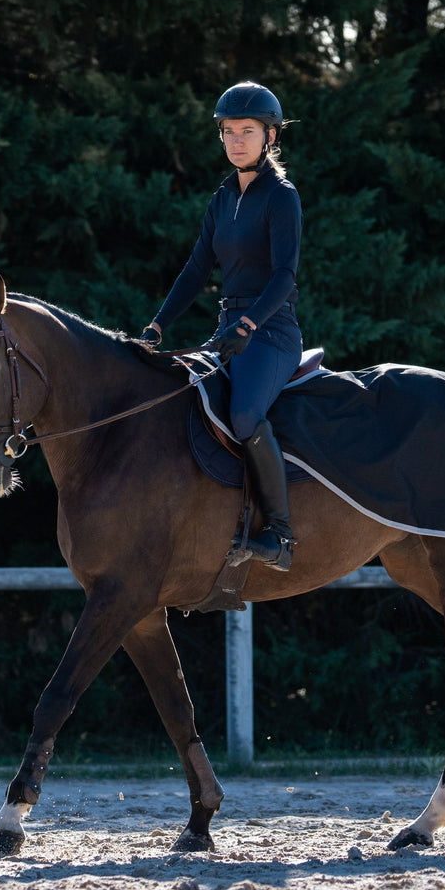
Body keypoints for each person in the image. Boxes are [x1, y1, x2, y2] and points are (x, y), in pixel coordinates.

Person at [141, 81, 303, 572]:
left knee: (245, 416)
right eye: (228, 132)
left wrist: (250, 323)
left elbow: (284, 276)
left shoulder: (282, 197)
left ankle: (279, 534)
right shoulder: (222, 198)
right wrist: (156, 326)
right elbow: (196, 270)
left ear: (270, 136)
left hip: (271, 333)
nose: (236, 141)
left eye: (247, 131)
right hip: (227, 329)